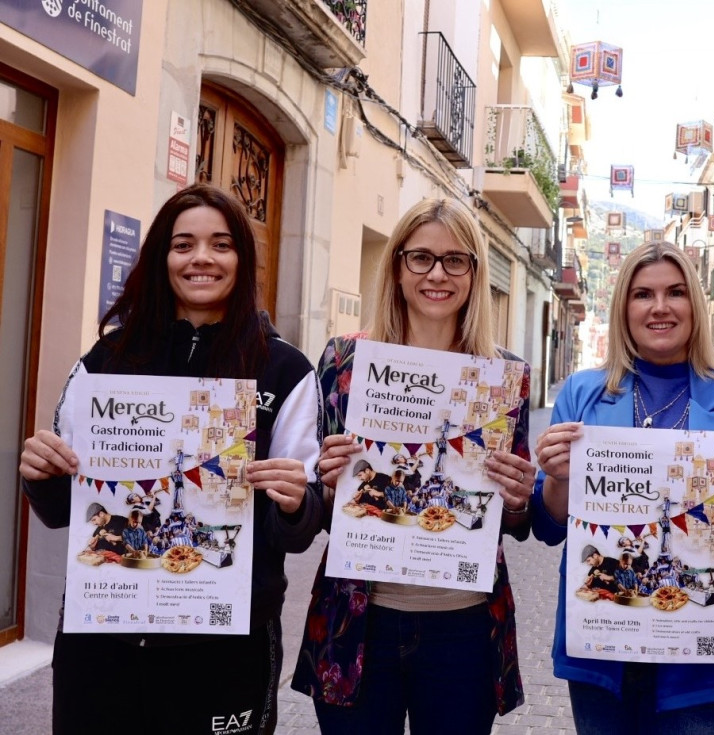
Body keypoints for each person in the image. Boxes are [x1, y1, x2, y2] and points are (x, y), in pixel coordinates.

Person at [19, 183, 324, 735]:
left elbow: (300, 529)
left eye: (220, 244)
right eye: (183, 244)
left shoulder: (284, 370)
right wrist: (41, 474)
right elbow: (65, 508)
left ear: (243, 259)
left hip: (224, 646)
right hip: (103, 642)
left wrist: (297, 500)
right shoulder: (105, 361)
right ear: (161, 257)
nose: (201, 258)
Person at [291, 198, 536, 734]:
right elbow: (323, 509)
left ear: (474, 272)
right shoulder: (343, 362)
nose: (437, 275)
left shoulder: (502, 377)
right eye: (421, 258)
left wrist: (519, 498)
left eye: (456, 260)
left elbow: (511, 520)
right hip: (358, 622)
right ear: (397, 266)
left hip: (464, 626)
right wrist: (330, 483)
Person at [531, 241, 714, 735]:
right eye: (643, 294)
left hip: (700, 656)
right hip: (601, 646)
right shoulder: (582, 394)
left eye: (675, 292)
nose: (660, 307)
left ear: (695, 307)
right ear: (624, 307)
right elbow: (549, 526)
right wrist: (557, 477)